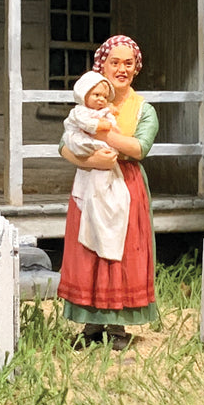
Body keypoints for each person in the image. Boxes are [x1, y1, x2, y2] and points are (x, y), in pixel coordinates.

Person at [58, 35, 159, 351]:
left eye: (128, 63)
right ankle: (90, 325)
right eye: (114, 62)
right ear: (101, 65)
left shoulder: (143, 109)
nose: (122, 69)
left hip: (125, 184)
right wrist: (88, 160)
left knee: (122, 253)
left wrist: (104, 133)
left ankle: (117, 326)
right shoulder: (90, 102)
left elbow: (139, 148)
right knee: (90, 252)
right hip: (90, 182)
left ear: (136, 69)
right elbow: (64, 144)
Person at [62, 71, 130, 261]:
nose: (101, 99)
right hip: (83, 142)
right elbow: (85, 124)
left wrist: (110, 114)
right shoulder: (80, 111)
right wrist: (101, 126)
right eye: (96, 95)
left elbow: (112, 121)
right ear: (84, 95)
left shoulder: (104, 110)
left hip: (107, 158)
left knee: (112, 196)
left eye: (104, 96)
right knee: (82, 145)